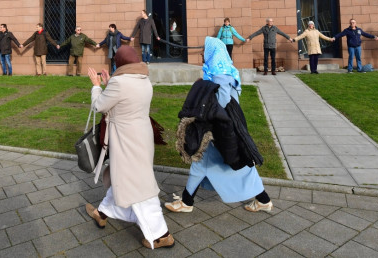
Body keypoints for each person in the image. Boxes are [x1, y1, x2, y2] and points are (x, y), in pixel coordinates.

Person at [165, 37, 272, 215]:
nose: (202, 53)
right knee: (229, 164)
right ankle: (263, 200)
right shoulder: (223, 67)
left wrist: (203, 108)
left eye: (204, 50)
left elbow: (222, 99)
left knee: (207, 163)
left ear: (213, 52)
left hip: (218, 126)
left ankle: (186, 202)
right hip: (224, 123)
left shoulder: (219, 70)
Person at [84, 46, 174, 249]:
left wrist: (97, 86)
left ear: (119, 63)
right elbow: (124, 102)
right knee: (126, 177)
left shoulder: (120, 82)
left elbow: (99, 106)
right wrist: (110, 84)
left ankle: (161, 235)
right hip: (140, 137)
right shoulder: (144, 80)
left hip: (126, 140)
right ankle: (103, 212)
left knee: (137, 185)